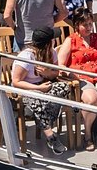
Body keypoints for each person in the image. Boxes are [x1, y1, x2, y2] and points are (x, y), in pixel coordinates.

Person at [12, 26, 71, 155]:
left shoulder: (52, 53)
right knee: (38, 98)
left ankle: (42, 117)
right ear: (47, 43)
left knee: (64, 87)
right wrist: (38, 88)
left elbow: (55, 74)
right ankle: (51, 136)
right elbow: (16, 82)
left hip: (44, 88)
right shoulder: (26, 57)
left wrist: (48, 73)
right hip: (26, 91)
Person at [56, 6, 97, 150]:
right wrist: (72, 75)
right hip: (80, 79)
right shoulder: (71, 40)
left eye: (90, 24)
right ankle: (88, 135)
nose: (89, 27)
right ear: (77, 26)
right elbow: (60, 64)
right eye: (85, 24)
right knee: (93, 100)